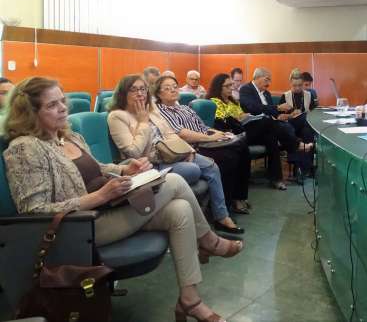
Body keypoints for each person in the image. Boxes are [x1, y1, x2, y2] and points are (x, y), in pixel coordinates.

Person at [3, 77, 242, 322]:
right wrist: (100, 196)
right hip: (81, 224)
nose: (63, 108)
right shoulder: (25, 148)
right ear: (30, 112)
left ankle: (190, 301)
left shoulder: (69, 136)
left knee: (180, 209)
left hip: (109, 207)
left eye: (62, 101)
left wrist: (125, 170)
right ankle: (210, 242)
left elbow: (99, 168)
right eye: (52, 105)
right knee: (174, 182)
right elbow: (35, 209)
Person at [107, 74, 243, 234]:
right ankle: (193, 220)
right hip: (150, 164)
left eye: (143, 89)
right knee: (194, 170)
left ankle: (221, 217)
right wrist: (143, 123)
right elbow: (133, 151)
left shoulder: (151, 109)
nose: (140, 94)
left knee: (211, 166)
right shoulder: (117, 116)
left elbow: (170, 133)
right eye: (134, 90)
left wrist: (188, 150)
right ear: (123, 93)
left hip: (171, 153)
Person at [154, 75, 251, 215]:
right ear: (158, 93)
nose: (173, 90)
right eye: (167, 88)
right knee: (229, 157)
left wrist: (219, 134)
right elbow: (181, 134)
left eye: (175, 87)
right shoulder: (161, 111)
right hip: (194, 148)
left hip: (206, 140)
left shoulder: (185, 108)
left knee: (242, 149)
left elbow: (203, 126)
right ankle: (225, 206)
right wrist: (208, 138)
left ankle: (238, 197)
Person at [208, 73, 289, 191]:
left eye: (232, 85)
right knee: (267, 122)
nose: (232, 87)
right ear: (218, 87)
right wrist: (238, 118)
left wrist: (244, 116)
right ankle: (293, 145)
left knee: (270, 137)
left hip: (245, 130)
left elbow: (241, 115)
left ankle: (276, 178)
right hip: (233, 134)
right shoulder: (214, 102)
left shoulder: (233, 101)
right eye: (227, 86)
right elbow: (223, 122)